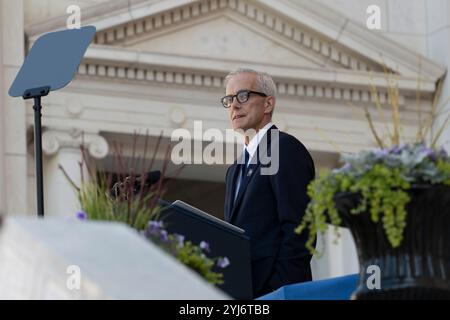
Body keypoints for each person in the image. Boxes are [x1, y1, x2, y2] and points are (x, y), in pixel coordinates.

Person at [222, 68, 316, 298]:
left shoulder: (284, 149)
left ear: (268, 104)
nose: (234, 105)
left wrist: (277, 290)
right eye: (228, 100)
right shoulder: (233, 171)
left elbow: (300, 230)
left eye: (243, 96)